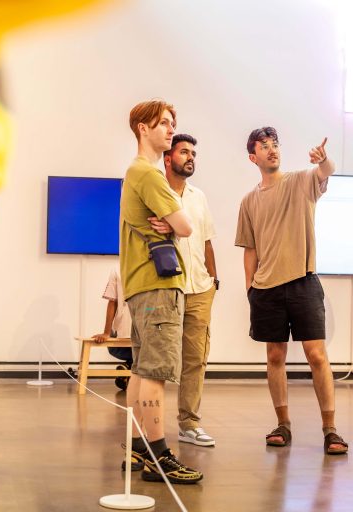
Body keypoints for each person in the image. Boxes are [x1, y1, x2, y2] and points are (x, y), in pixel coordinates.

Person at [235, 126, 348, 455]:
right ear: (252, 157)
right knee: (274, 357)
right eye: (264, 146)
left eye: (275, 144)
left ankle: (330, 429)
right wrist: (250, 290)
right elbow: (250, 249)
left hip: (303, 282)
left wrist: (324, 159)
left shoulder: (301, 181)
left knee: (317, 355)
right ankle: (283, 424)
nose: (272, 150)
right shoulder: (248, 201)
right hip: (266, 289)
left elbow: (326, 172)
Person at [119, 99, 203, 484]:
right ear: (143, 128)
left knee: (141, 369)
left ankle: (139, 447)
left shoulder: (134, 172)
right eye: (164, 124)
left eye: (172, 123)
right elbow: (185, 224)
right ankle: (159, 455)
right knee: (155, 372)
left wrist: (172, 223)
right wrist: (174, 223)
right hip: (158, 286)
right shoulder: (149, 175)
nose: (171, 130)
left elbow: (177, 224)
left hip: (141, 286)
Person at [161, 134, 218, 447]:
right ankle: (148, 425)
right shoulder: (156, 191)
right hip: (166, 289)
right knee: (159, 361)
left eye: (193, 152)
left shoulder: (199, 196)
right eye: (184, 152)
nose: (190, 157)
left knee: (195, 359)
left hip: (200, 288)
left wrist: (214, 279)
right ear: (168, 158)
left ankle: (189, 424)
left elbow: (207, 240)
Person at [91, 268, 133, 390]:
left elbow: (112, 302)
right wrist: (106, 333)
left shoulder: (117, 269)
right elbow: (112, 302)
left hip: (126, 332)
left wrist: (107, 332)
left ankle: (129, 367)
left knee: (141, 355)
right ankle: (130, 367)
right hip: (138, 331)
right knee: (145, 356)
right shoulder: (118, 270)